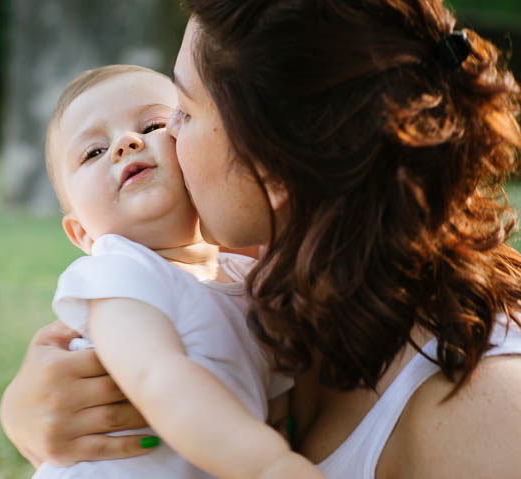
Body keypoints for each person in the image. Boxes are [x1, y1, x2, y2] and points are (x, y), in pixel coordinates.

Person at [1, 1, 521, 478]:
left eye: (178, 115)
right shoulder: (271, 277)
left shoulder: (496, 414)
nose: (144, 143)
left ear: (274, 168)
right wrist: (31, 417)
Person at [28, 63, 321, 479]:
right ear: (81, 234)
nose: (126, 144)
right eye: (93, 152)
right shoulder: (119, 273)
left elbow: (273, 400)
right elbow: (155, 375)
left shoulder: (245, 277)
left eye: (152, 125)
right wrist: (270, 465)